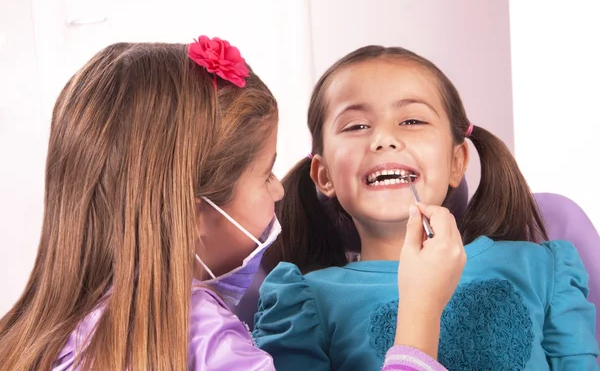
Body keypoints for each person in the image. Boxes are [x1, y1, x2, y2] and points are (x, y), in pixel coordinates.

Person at [0, 37, 461, 371]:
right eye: (265, 176)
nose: (280, 189)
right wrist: (420, 315)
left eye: (412, 119)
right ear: (195, 212)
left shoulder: (34, 339)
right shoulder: (207, 339)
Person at [253, 45, 600, 370]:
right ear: (324, 176)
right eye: (357, 126)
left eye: (411, 121)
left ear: (456, 161)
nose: (383, 139)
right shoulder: (303, 304)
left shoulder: (542, 270)